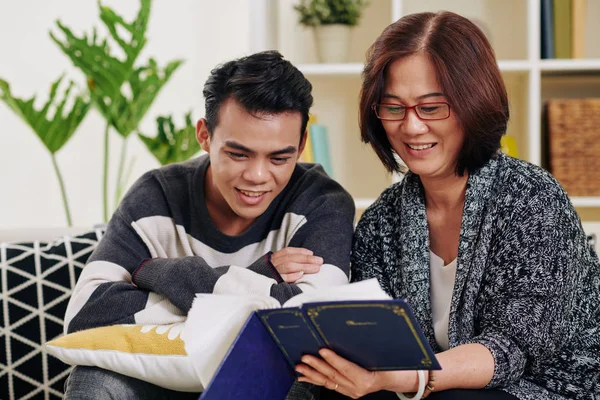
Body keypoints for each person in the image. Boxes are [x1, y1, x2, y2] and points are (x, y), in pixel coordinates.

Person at [295, 11, 600, 400]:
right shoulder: (380, 222)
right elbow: (376, 343)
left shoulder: (530, 198)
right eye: (393, 107)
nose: (411, 127)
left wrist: (407, 379)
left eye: (432, 106)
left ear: (473, 103)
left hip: (547, 386)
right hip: (425, 389)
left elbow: (513, 349)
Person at [62, 50, 355, 400]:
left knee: (304, 375)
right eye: (238, 154)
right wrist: (260, 276)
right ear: (204, 136)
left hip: (262, 384)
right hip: (158, 384)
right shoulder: (155, 195)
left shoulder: (321, 203)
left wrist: (161, 274)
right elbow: (87, 312)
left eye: (280, 157)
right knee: (94, 379)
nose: (258, 176)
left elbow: (305, 322)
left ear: (302, 145)